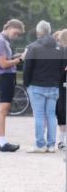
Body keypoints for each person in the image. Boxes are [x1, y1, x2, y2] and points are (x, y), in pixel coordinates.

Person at [22, 20, 64, 153]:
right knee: (51, 115)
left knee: (39, 115)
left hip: (37, 85)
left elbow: (27, 68)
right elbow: (62, 68)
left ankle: (40, 144)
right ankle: (51, 145)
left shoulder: (33, 47)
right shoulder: (60, 48)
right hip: (53, 86)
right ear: (49, 31)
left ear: (39, 31)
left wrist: (26, 83)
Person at [0, 19, 25, 152]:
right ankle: (2, 142)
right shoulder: (0, 41)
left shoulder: (3, 40)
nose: (16, 36)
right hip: (6, 77)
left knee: (4, 109)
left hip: (8, 77)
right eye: (16, 33)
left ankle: (2, 141)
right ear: (10, 27)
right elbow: (4, 64)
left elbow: (6, 60)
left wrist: (18, 56)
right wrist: (21, 59)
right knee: (3, 109)